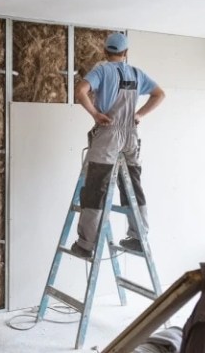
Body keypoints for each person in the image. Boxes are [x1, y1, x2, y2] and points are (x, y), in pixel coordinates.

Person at [71, 32, 165, 257]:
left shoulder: (102, 70)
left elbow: (80, 91)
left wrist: (95, 114)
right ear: (126, 53)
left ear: (105, 51)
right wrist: (139, 114)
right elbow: (159, 94)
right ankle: (139, 237)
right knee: (133, 185)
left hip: (109, 133)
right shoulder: (136, 73)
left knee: (96, 187)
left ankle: (86, 244)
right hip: (131, 135)